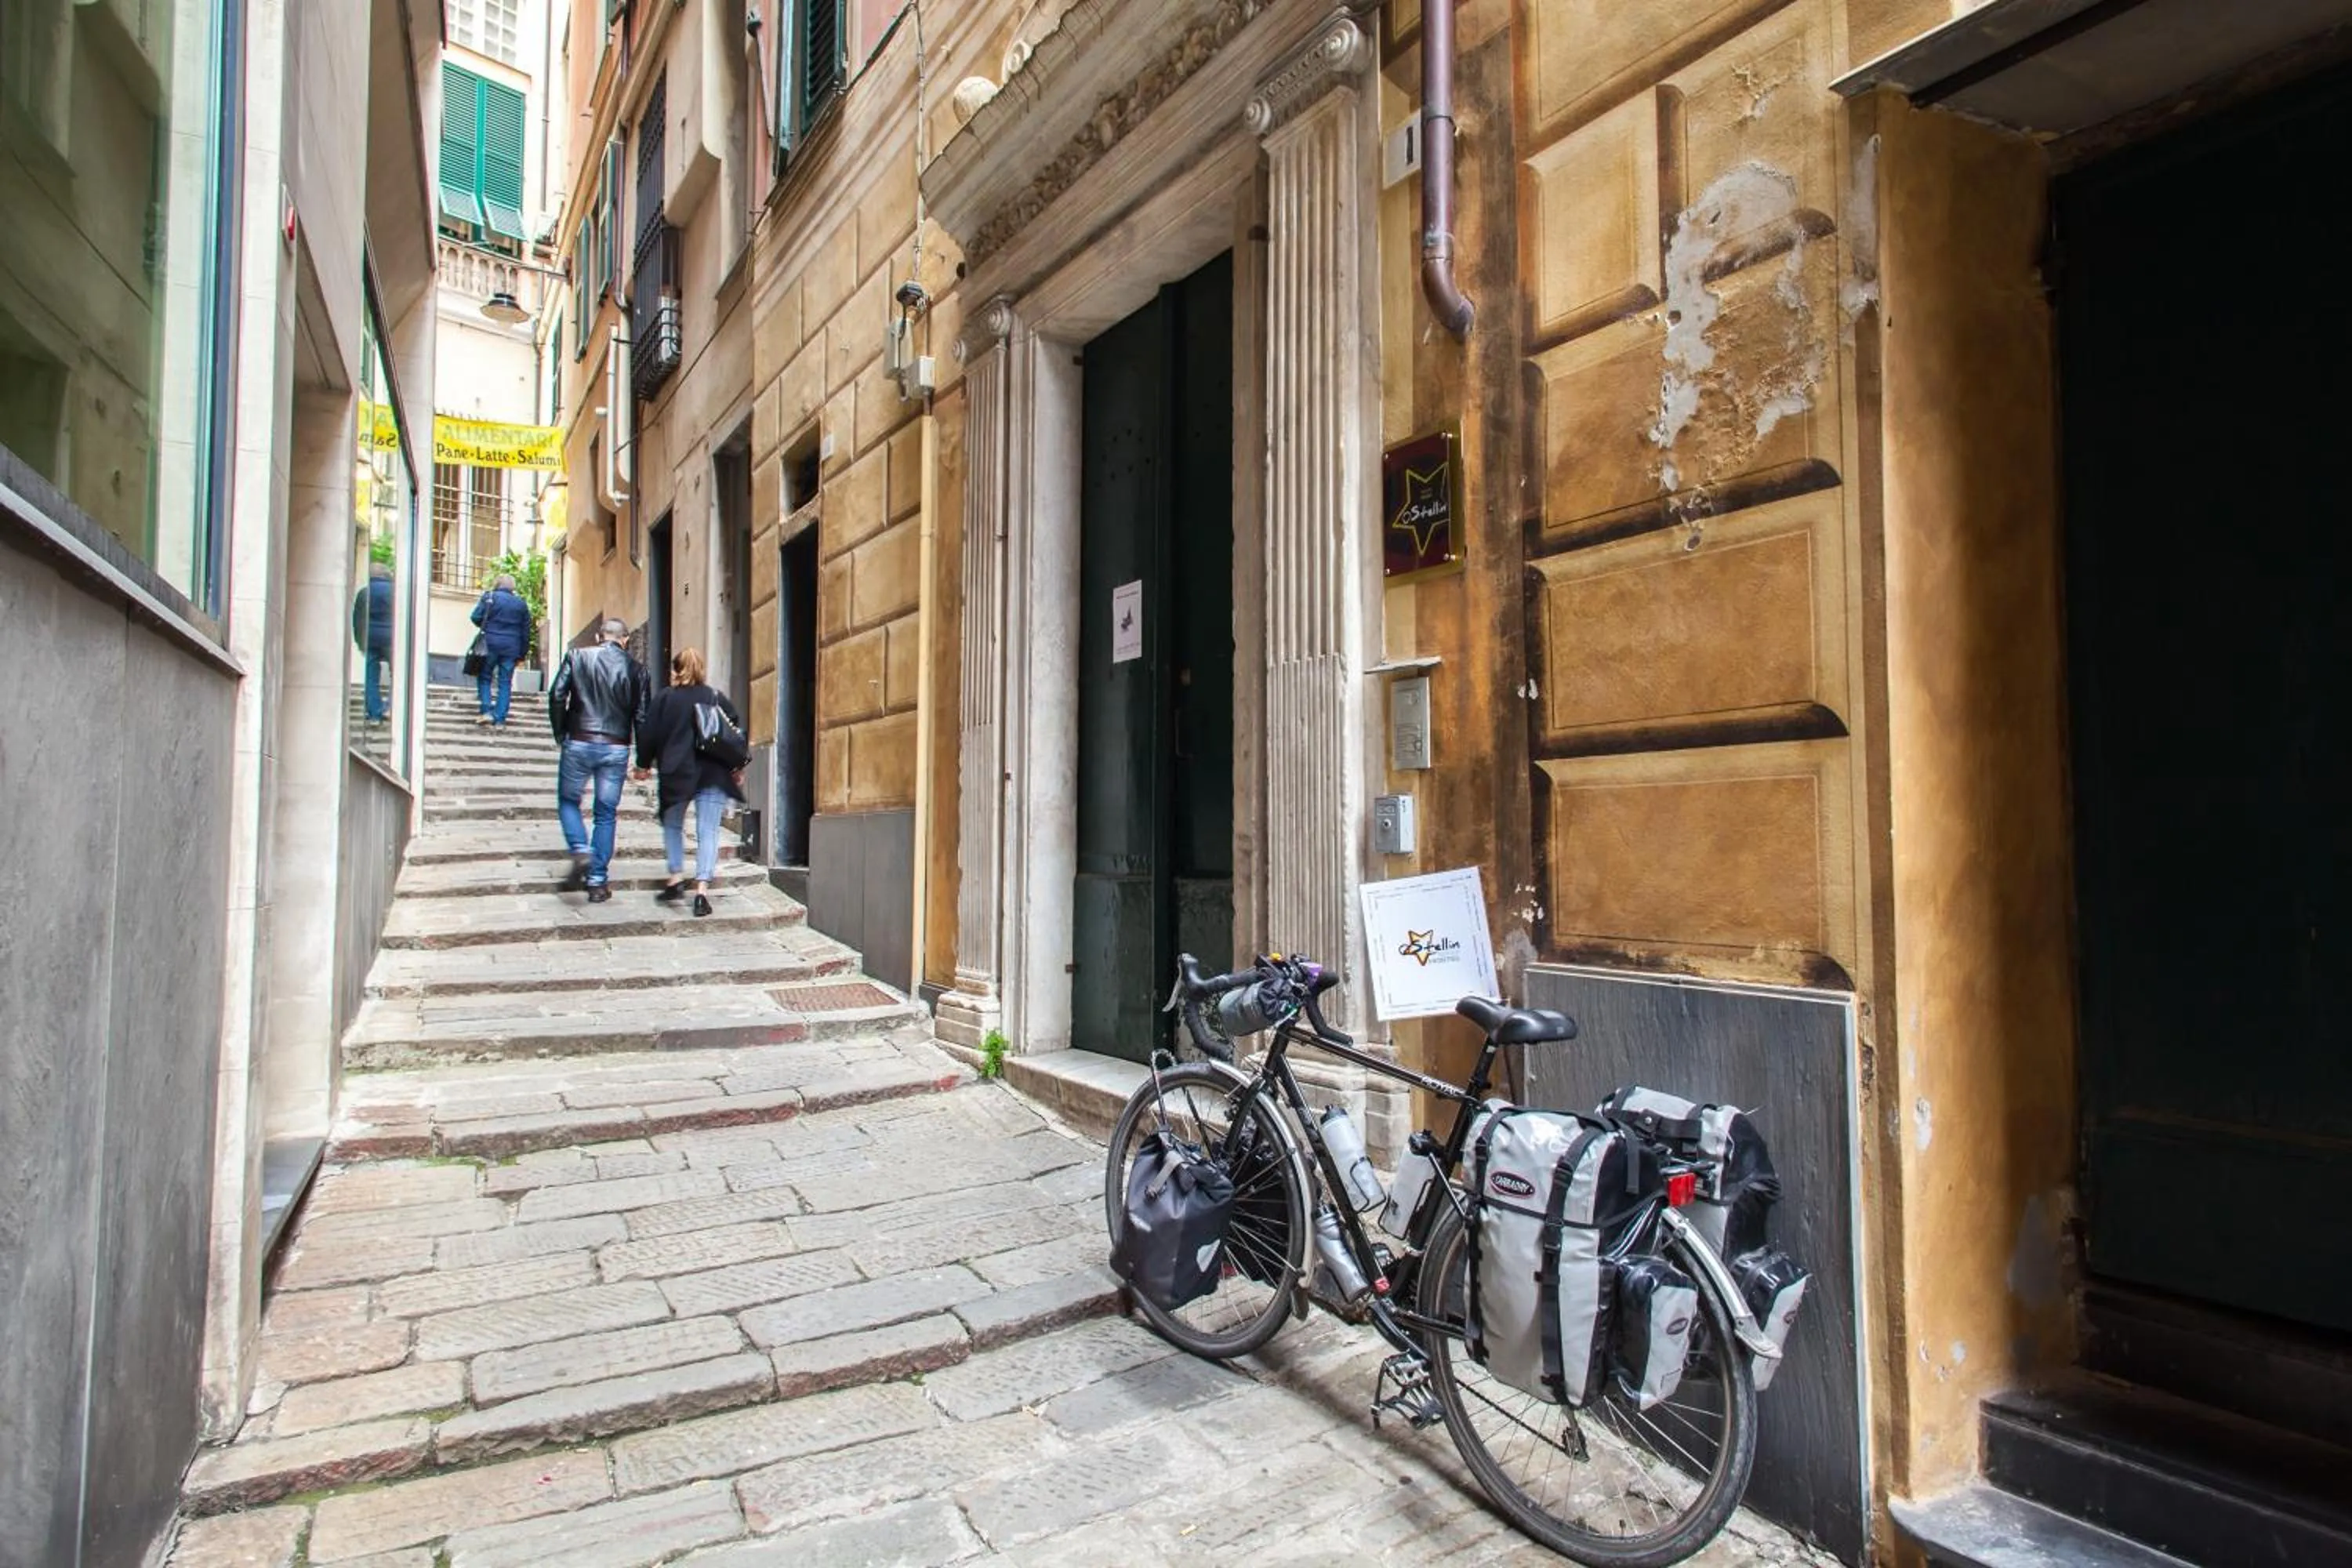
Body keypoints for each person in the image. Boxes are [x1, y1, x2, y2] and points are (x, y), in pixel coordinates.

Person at [634, 648, 746, 918]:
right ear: (702, 669)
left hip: (676, 773)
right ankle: (701, 893)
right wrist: (736, 766)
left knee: (672, 825)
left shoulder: (665, 699)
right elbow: (733, 730)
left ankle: (675, 878)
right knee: (708, 830)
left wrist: (643, 764)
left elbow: (649, 733)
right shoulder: (714, 697)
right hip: (712, 772)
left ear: (675, 670)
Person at [546, 619, 648, 902]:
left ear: (598, 636)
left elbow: (556, 695)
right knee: (605, 814)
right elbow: (642, 716)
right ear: (625, 640)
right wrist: (643, 759)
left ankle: (580, 849)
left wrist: (561, 732)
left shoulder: (578, 656)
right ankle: (597, 882)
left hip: (578, 740)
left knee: (568, 801)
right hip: (616, 747)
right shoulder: (638, 670)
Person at [469, 572, 533, 728]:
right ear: (513, 588)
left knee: (485, 676)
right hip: (511, 648)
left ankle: (486, 711)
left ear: (497, 584)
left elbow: (475, 616)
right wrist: (522, 653)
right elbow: (526, 631)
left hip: (489, 644)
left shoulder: (489, 597)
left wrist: (486, 625)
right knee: (505, 682)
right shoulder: (521, 604)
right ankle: (500, 719)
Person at [350, 560, 394, 724]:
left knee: (371, 677)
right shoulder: (395, 592)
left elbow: (357, 619)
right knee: (397, 675)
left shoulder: (364, 593)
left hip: (370, 638)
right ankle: (390, 708)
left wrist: (359, 641)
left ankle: (375, 714)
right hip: (392, 639)